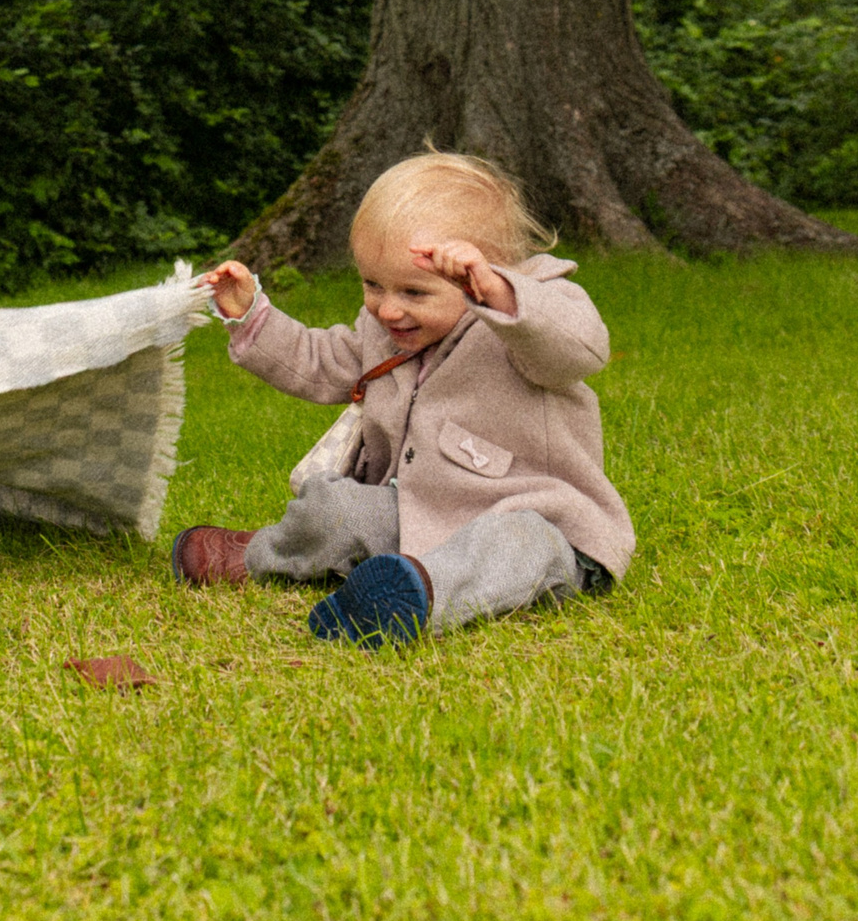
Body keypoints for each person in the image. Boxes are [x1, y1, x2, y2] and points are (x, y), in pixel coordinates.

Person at [173, 152, 633, 646]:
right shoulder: (385, 331)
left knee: (512, 546)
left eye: (414, 292)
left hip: (541, 521)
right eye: (373, 284)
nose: (387, 309)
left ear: (479, 273)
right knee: (337, 507)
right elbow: (320, 360)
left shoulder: (529, 315)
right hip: (418, 511)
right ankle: (258, 557)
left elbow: (579, 350)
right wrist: (252, 317)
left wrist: (499, 294)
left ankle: (414, 598)